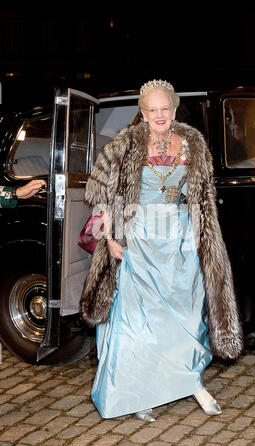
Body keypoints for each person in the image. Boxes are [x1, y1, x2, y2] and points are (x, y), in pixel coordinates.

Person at [80, 79, 243, 422]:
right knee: (140, 322)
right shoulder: (123, 146)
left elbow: (203, 197)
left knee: (185, 317)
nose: (159, 114)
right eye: (151, 109)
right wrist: (111, 239)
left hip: (181, 241)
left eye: (164, 108)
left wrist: (203, 240)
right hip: (139, 240)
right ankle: (139, 391)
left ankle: (190, 380)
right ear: (142, 113)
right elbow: (105, 198)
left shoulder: (192, 144)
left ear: (173, 110)